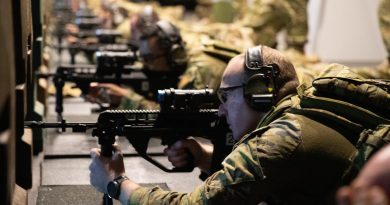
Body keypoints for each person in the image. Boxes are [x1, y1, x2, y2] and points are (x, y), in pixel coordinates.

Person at [90, 45, 359, 204]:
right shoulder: (301, 114)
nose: (220, 109)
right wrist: (207, 159)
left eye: (226, 96)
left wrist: (117, 183)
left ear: (259, 93)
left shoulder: (281, 140)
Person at [97, 20, 229, 110]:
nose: (144, 65)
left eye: (149, 58)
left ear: (174, 54)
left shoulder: (201, 71)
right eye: (142, 57)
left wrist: (127, 99)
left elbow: (179, 121)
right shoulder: (182, 52)